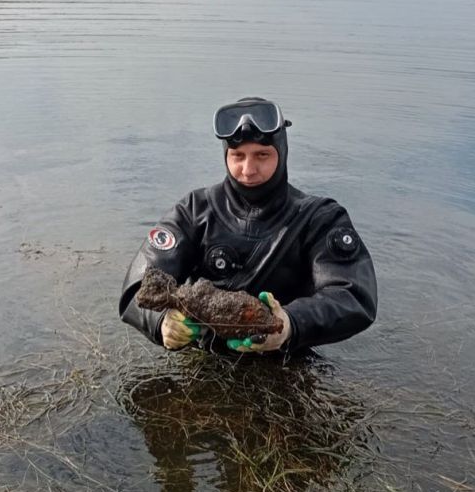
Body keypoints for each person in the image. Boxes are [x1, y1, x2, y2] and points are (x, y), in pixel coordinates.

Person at [119, 97, 377, 355]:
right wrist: (162, 322)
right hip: (206, 354)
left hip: (285, 355)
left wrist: (291, 324)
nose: (248, 170)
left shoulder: (319, 218)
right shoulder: (194, 210)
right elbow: (139, 286)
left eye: (262, 155)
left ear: (282, 152)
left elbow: (353, 295)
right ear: (226, 155)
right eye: (238, 156)